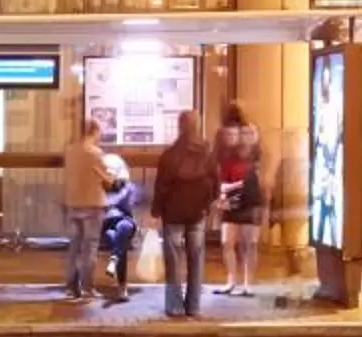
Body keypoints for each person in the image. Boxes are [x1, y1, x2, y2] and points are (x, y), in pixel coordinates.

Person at [149, 109, 223, 318]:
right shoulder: (208, 153)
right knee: (196, 260)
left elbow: (162, 187)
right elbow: (216, 182)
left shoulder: (169, 155)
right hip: (197, 213)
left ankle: (175, 306)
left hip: (173, 214)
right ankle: (194, 305)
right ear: (197, 126)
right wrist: (208, 203)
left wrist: (156, 210)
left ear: (180, 127)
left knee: (173, 261)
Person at [215, 101, 268, 295]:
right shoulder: (229, 153)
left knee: (249, 244)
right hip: (232, 201)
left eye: (249, 134)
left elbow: (261, 182)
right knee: (227, 242)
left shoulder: (258, 156)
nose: (244, 136)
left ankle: (247, 282)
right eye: (242, 133)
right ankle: (232, 280)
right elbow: (222, 178)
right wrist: (223, 194)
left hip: (250, 203)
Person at [60, 118, 109, 300]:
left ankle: (71, 287)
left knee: (74, 247)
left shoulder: (69, 151)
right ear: (94, 132)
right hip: (92, 205)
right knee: (90, 248)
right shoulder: (96, 153)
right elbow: (107, 178)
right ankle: (87, 288)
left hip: (73, 204)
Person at [97, 152, 140, 302]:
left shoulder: (129, 187)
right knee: (117, 239)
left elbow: (128, 207)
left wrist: (118, 194)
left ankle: (114, 260)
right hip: (106, 224)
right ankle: (122, 285)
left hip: (124, 221)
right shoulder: (98, 188)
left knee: (123, 229)